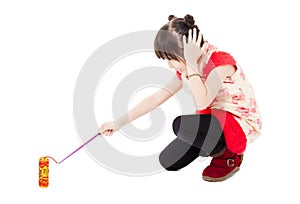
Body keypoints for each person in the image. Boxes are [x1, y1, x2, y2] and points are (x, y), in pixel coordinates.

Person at [99, 14, 262, 182]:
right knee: (169, 161)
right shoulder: (186, 69)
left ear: (188, 51)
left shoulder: (219, 62)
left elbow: (203, 101)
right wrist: (118, 123)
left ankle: (229, 156)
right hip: (212, 120)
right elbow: (157, 97)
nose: (170, 65)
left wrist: (191, 63)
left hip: (238, 124)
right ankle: (214, 144)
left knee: (181, 126)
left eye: (171, 59)